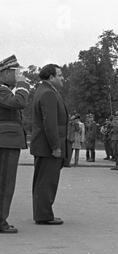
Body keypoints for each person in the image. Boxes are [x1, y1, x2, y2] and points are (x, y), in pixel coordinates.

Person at [30, 64, 68, 225]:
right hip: (48, 147)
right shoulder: (48, 94)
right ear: (51, 77)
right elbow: (50, 123)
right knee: (47, 181)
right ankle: (44, 215)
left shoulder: (43, 91)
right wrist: (56, 146)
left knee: (42, 180)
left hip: (43, 145)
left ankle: (42, 212)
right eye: (59, 75)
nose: (62, 78)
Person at [0, 55, 30, 234]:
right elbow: (18, 103)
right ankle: (1, 221)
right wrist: (23, 86)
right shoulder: (2, 90)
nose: (18, 75)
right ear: (4, 73)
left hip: (6, 140)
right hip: (6, 141)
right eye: (15, 72)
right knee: (5, 182)